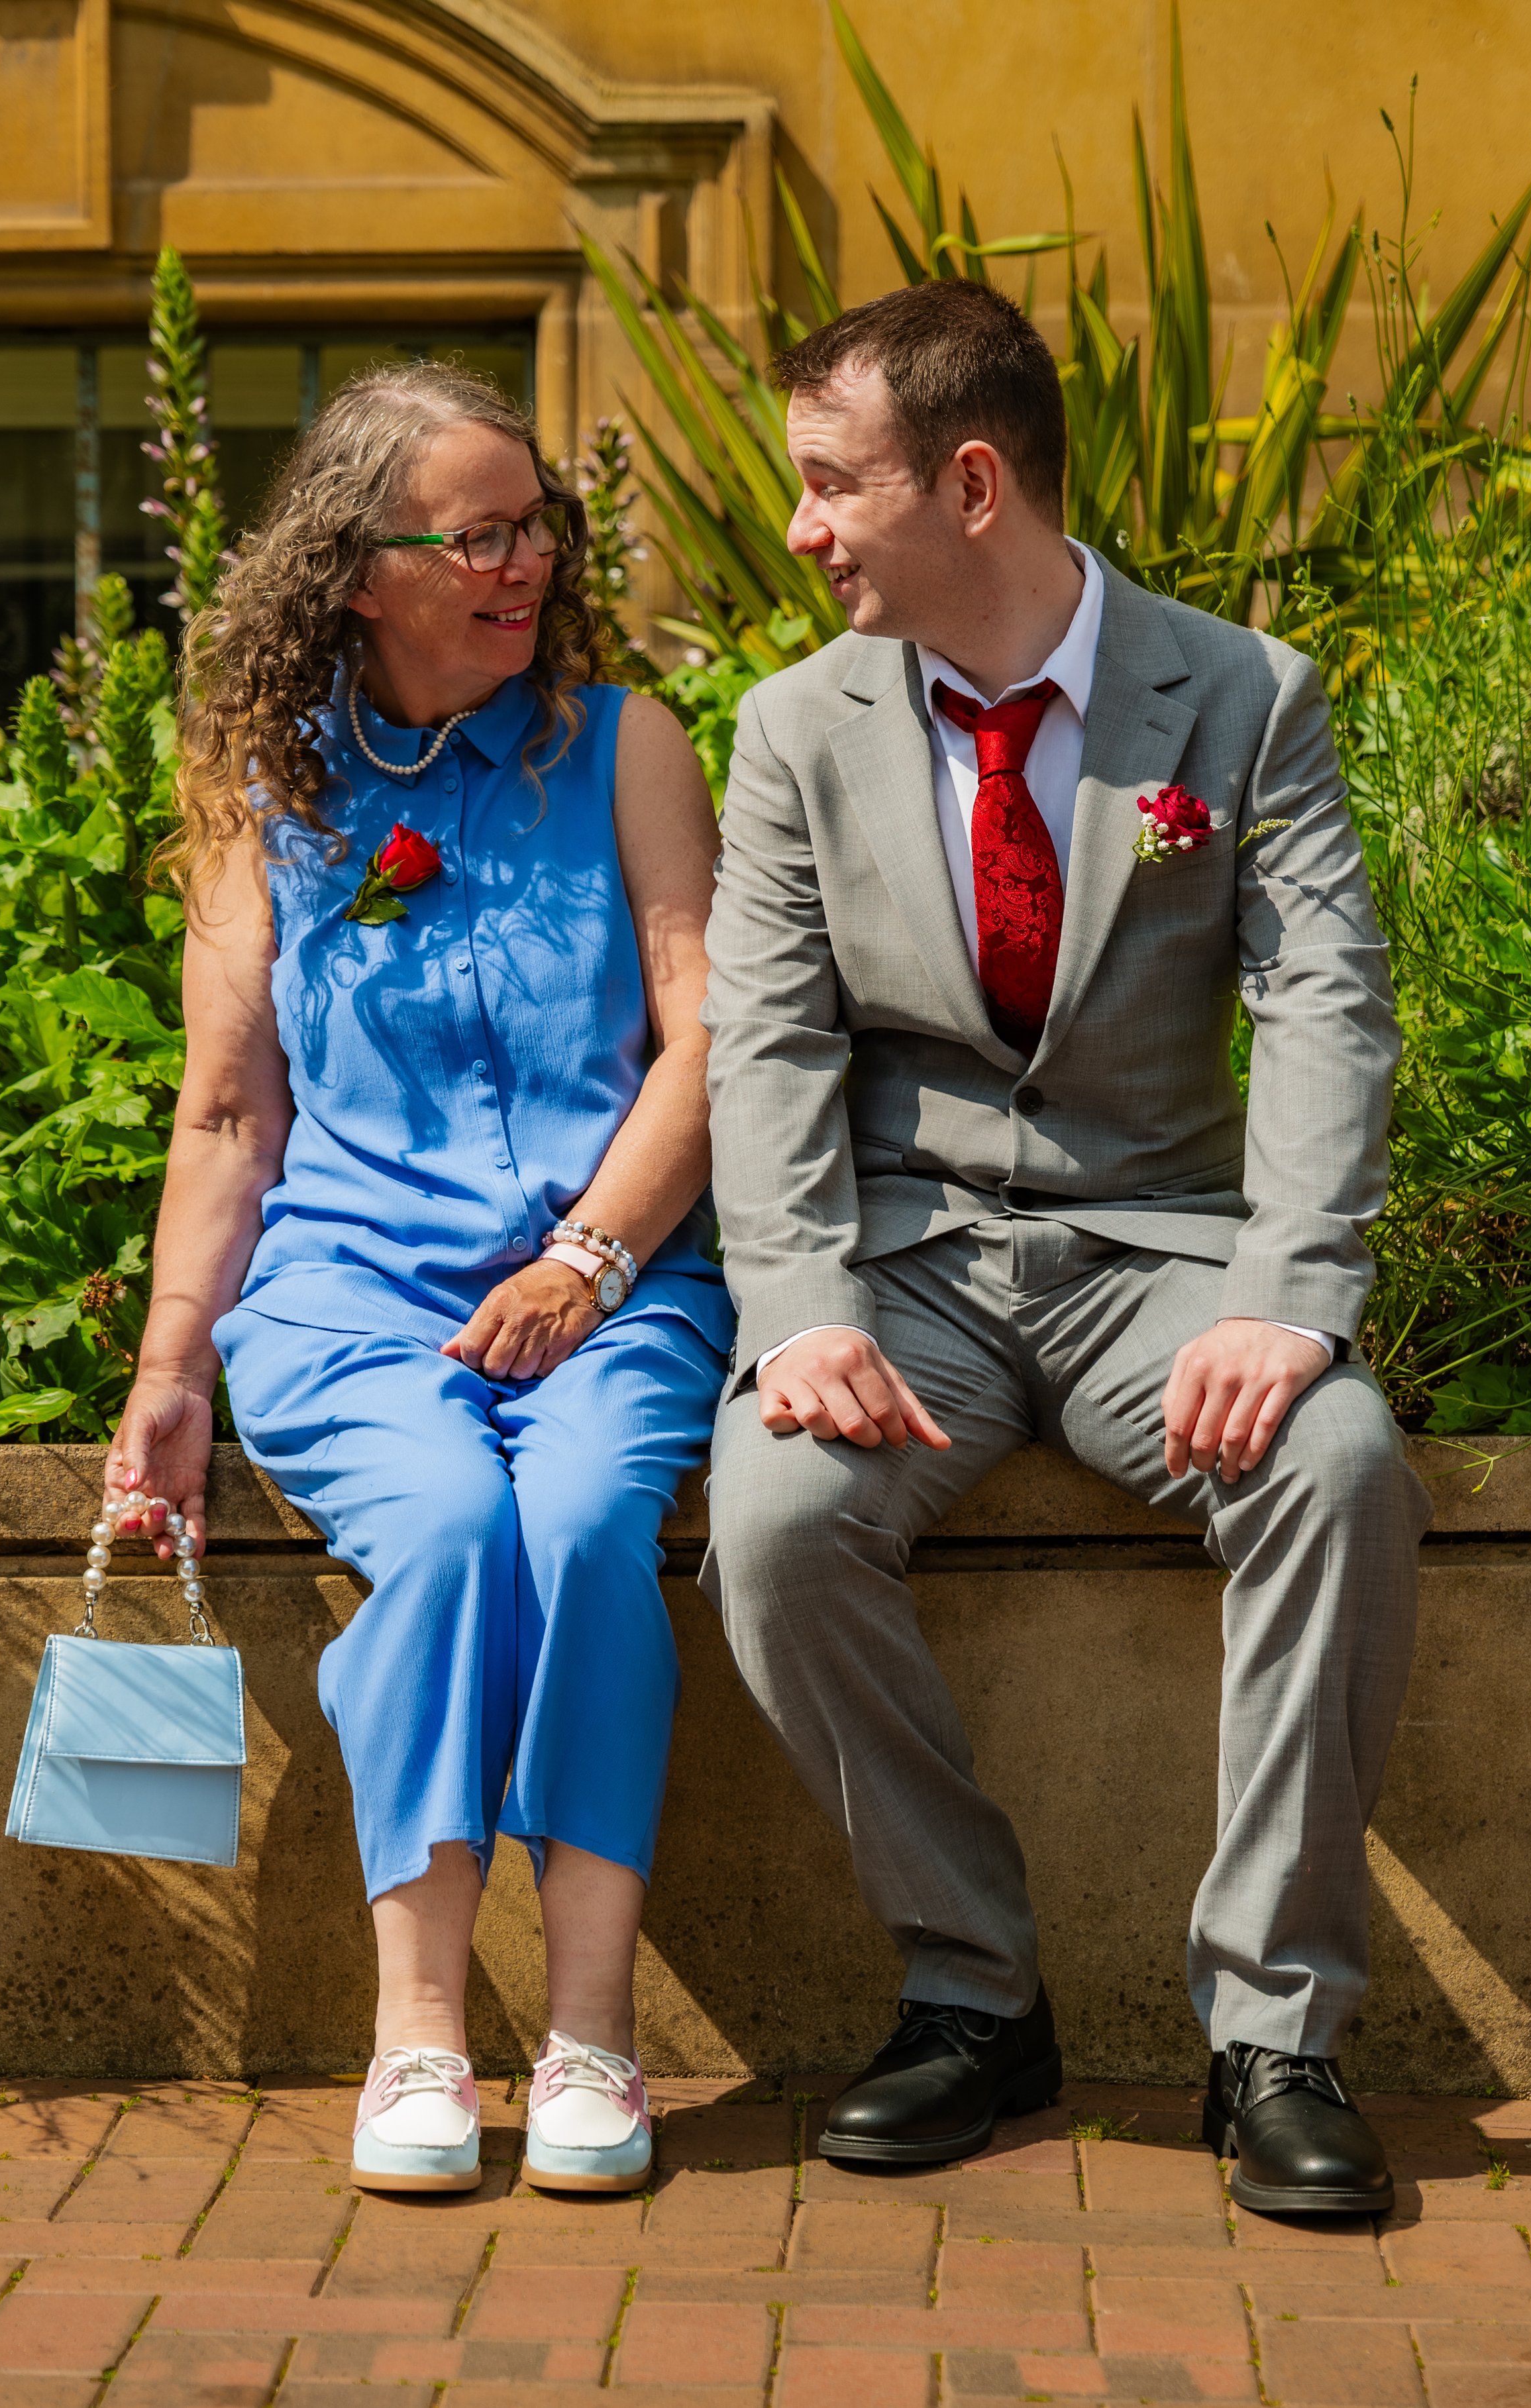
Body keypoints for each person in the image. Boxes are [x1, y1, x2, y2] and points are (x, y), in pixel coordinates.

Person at [699, 281, 1430, 2215]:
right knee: (774, 1519)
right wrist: (794, 1310)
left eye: (827, 484)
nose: (801, 527)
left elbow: (1326, 1008)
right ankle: (968, 1992)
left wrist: (1285, 1289)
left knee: (1339, 1465)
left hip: (1161, 1258)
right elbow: (764, 1043)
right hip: (907, 1261)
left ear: (966, 483)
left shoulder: (1242, 694)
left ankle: (1273, 2026)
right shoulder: (791, 732)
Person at [104, 361, 733, 2198]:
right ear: (360, 570)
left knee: (592, 1521)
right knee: (453, 1524)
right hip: (349, 1299)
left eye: (535, 523)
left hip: (610, 1284)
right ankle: (420, 2040)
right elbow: (228, 1109)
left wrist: (588, 1259)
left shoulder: (626, 746)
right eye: (478, 534)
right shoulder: (264, 786)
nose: (522, 559)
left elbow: (705, 1045)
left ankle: (598, 2039)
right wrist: (171, 1367)